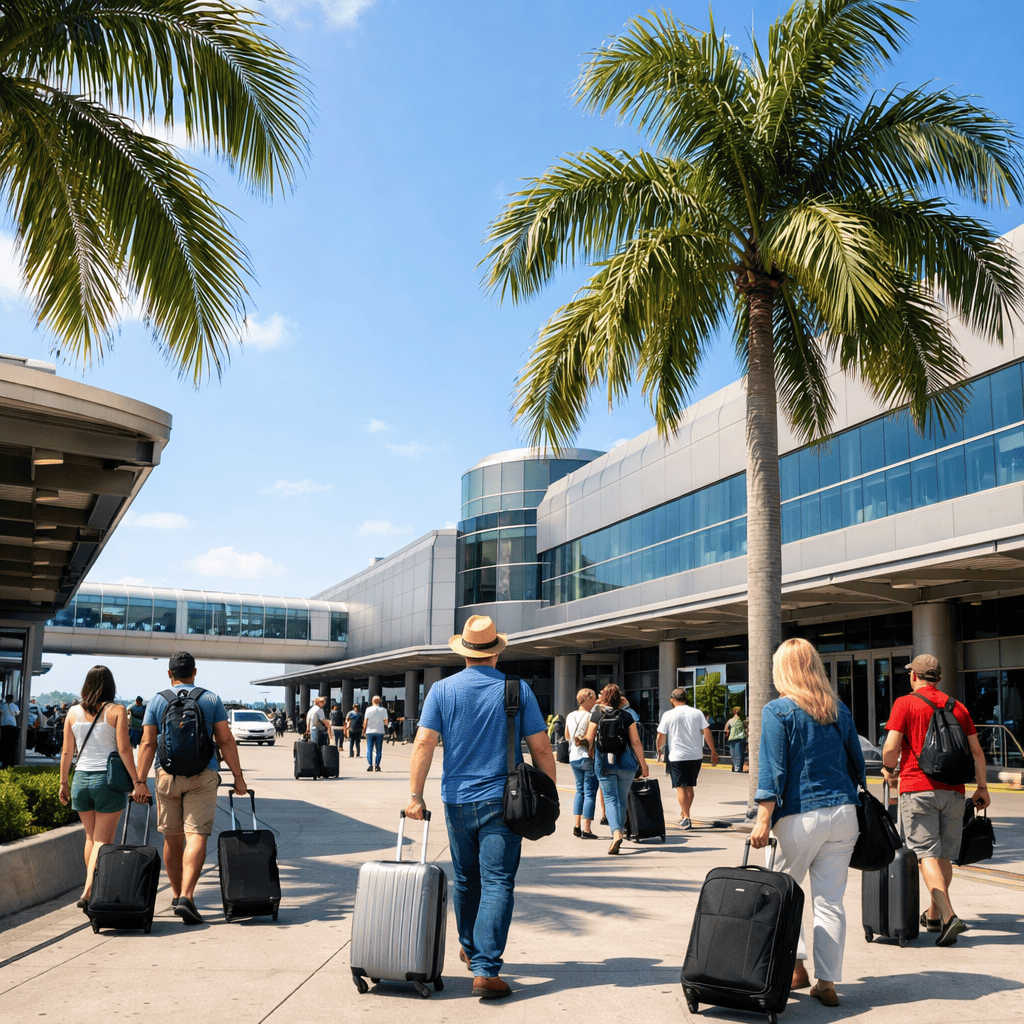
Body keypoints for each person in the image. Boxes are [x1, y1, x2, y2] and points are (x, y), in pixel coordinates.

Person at [406, 614, 554, 999]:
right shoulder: (516, 690)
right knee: (498, 881)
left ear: (465, 653)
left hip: (456, 801)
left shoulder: (442, 690)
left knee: (467, 880)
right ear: (495, 653)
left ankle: (472, 950)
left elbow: (423, 744)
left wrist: (414, 795)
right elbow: (540, 748)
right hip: (504, 802)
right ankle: (486, 970)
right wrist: (549, 795)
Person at [751, 638, 863, 1008]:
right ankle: (826, 983)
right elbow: (858, 766)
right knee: (830, 902)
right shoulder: (838, 709)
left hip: (801, 815)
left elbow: (773, 771)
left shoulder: (778, 711)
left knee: (781, 893)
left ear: (781, 669)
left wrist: (763, 818)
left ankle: (793, 967)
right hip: (844, 814)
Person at [881, 654, 990, 946]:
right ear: (938, 678)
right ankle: (933, 916)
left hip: (918, 788)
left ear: (914, 676)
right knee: (942, 855)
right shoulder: (959, 707)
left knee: (925, 853)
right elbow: (977, 753)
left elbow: (891, 747)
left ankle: (949, 915)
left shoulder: (905, 703)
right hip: (954, 791)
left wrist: (889, 769)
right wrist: (982, 788)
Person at [136, 651, 248, 925]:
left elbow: (148, 744)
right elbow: (225, 740)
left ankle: (177, 895)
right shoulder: (210, 699)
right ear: (194, 673)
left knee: (172, 838)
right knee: (196, 835)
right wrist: (238, 776)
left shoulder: (158, 700)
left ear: (169, 674)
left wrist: (140, 782)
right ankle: (187, 896)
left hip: (166, 775)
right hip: (203, 774)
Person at [58, 666, 147, 909]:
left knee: (91, 838)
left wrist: (63, 782)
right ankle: (88, 890)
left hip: (80, 781)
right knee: (103, 841)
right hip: (106, 782)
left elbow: (67, 751)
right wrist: (138, 782)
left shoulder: (72, 712)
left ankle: (91, 885)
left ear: (86, 685)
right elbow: (125, 749)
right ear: (110, 686)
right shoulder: (116, 710)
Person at [584, 684, 649, 855]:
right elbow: (635, 742)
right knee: (621, 800)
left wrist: (582, 743)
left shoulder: (597, 714)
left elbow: (589, 739)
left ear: (604, 698)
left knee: (611, 799)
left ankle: (616, 833)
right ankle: (619, 831)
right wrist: (643, 764)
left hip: (604, 762)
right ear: (620, 699)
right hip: (626, 762)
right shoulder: (627, 716)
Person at [656, 687, 718, 828]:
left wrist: (659, 750)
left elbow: (660, 736)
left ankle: (686, 816)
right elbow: (706, 731)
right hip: (696, 755)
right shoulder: (697, 713)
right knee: (689, 785)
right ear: (685, 698)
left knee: (680, 787)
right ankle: (685, 813)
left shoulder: (668, 714)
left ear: (672, 699)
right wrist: (713, 751)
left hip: (678, 756)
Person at [564, 688, 599, 839]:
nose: (596, 700)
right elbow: (591, 737)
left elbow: (567, 735)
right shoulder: (591, 716)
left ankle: (576, 825)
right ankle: (587, 828)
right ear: (588, 698)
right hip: (587, 756)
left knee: (579, 791)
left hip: (573, 757)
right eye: (595, 697)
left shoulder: (570, 715)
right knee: (590, 792)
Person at [363, 695, 388, 771]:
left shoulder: (368, 709)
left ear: (372, 701)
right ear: (379, 701)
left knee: (369, 749)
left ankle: (370, 765)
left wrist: (364, 730)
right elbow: (386, 722)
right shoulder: (383, 710)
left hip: (369, 731)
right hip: (380, 731)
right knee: (379, 750)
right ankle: (377, 766)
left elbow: (365, 721)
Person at [1, 693, 21, 768]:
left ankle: (4, 763)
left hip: (4, 726)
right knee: (12, 745)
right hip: (13, 726)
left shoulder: (2, 706)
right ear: (12, 699)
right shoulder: (15, 706)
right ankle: (11, 762)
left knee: (4, 745)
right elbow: (17, 714)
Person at [725, 705, 747, 772]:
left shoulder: (730, 721)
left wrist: (728, 734)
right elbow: (746, 728)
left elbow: (726, 730)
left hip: (732, 739)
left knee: (733, 754)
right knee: (738, 754)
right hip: (740, 739)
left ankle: (736, 768)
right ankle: (737, 768)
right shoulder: (742, 721)